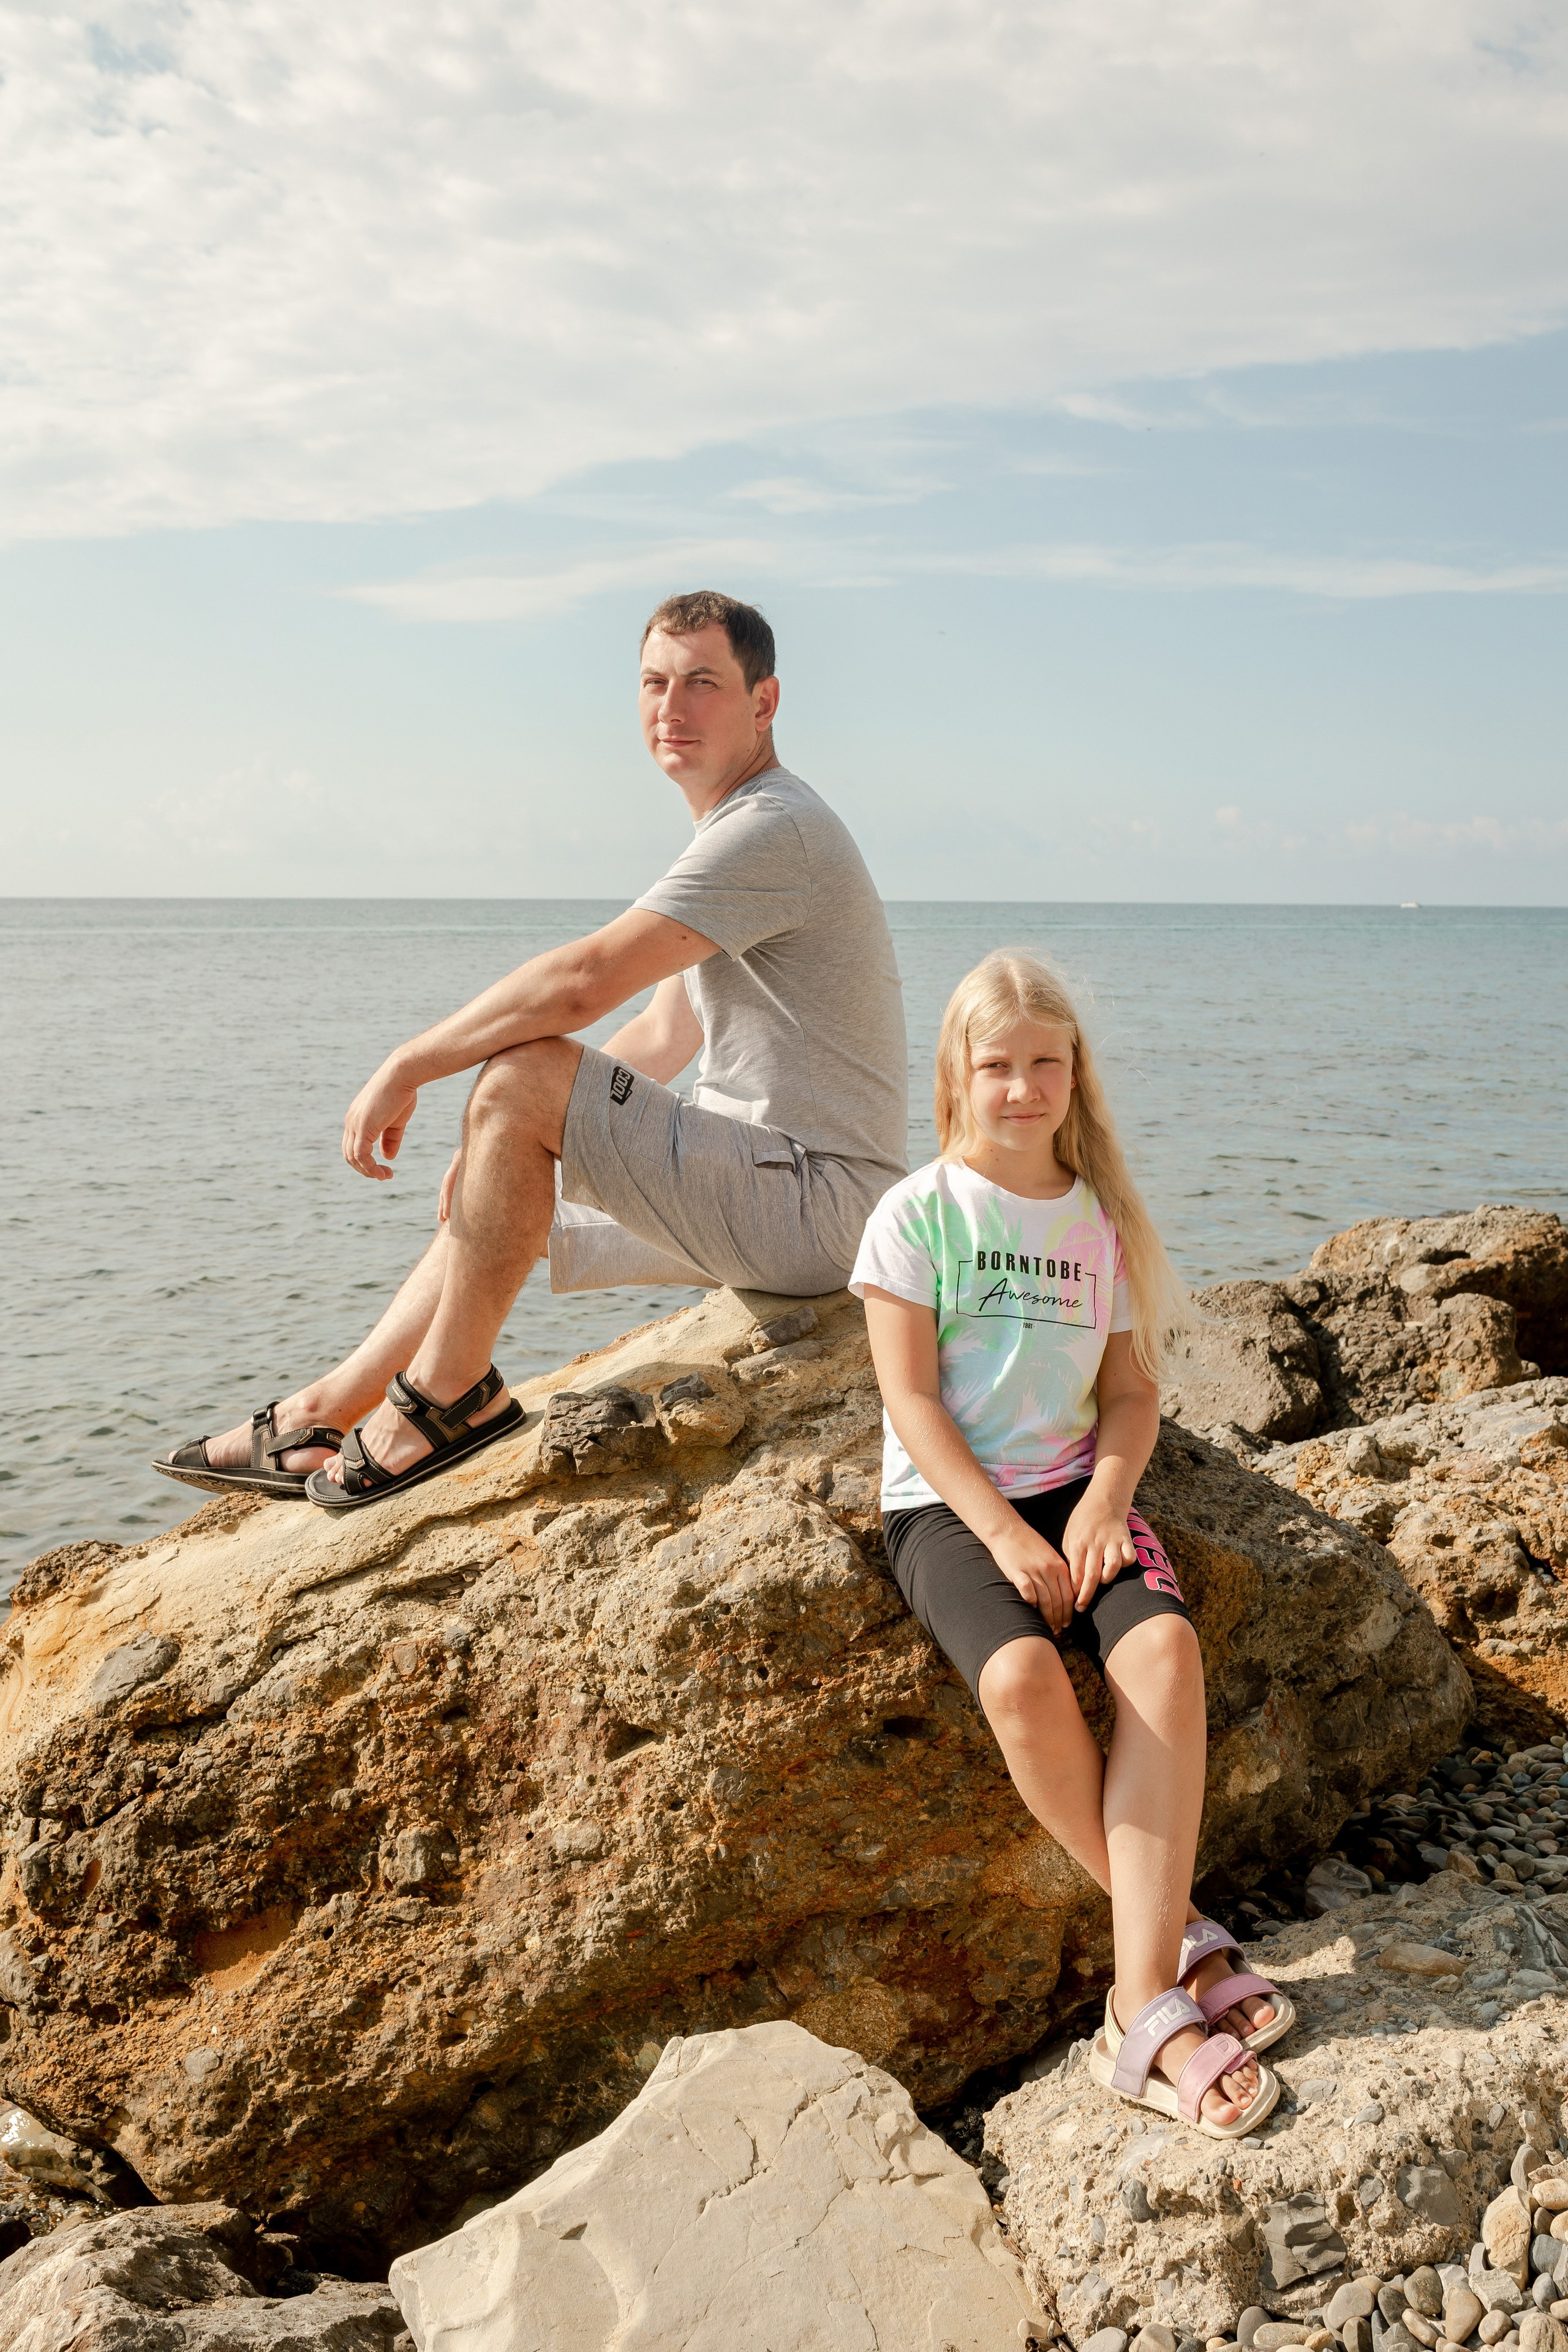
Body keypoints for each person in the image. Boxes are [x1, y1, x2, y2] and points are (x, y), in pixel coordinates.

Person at [154, 590, 907, 1513]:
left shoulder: (772, 829)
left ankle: (449, 1399)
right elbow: (662, 1035)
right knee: (496, 1176)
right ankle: (325, 1411)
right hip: (776, 1196)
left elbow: (584, 982)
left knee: (521, 1076)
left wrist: (412, 1064)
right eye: (654, 683)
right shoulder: (736, 833)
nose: (672, 707)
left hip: (813, 1202)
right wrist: (501, 1146)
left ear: (765, 701)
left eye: (703, 683)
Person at [850, 950, 1294, 2137]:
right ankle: (1180, 1937)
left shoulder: (1100, 1220)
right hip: (945, 1506)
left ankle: (1137, 1998)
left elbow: (1131, 1398)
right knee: (1021, 1678)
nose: (1021, 1088)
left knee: (1163, 1654)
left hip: (1073, 1489)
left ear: (1074, 1072)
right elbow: (910, 1401)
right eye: (996, 1064)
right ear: (957, 1072)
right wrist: (1000, 1535)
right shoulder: (916, 1214)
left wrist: (1101, 1507)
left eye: (1044, 1062)